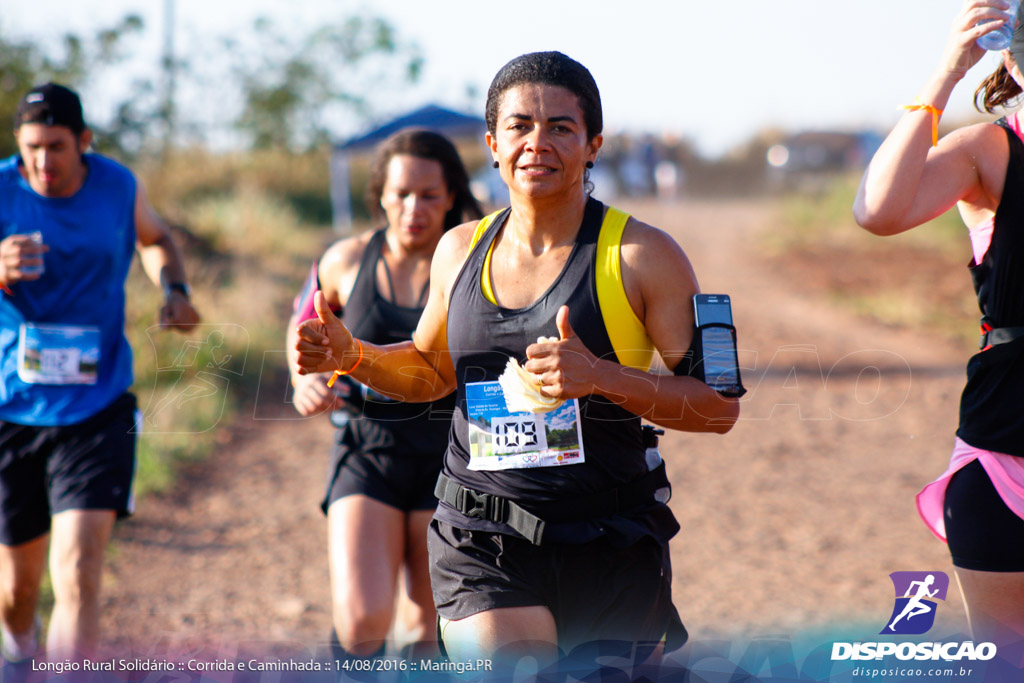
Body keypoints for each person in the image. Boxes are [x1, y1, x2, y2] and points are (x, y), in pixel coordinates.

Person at [295, 52, 739, 667]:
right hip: (483, 535)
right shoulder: (459, 250)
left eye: (560, 127)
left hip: (611, 536)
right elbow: (430, 371)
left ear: (593, 145)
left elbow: (718, 408)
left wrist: (600, 377)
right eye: (519, 126)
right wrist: (354, 356)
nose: (538, 143)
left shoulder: (644, 256)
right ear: (492, 145)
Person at [0, 83, 199, 665]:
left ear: (83, 141)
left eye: (57, 147)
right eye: (32, 147)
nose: (43, 161)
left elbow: (156, 238)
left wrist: (175, 289)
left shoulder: (116, 185)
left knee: (80, 570)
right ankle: (19, 650)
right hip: (12, 409)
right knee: (16, 591)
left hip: (97, 406)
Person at [854, 0, 1024, 654]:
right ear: (1012, 61)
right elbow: (877, 210)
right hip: (1005, 462)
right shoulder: (991, 150)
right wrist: (946, 74)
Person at [286, 129, 482, 660]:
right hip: (367, 447)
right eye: (400, 194)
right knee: (362, 622)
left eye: (429, 195)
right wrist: (303, 376)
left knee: (426, 628)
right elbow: (303, 324)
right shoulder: (346, 260)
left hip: (449, 457)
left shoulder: (473, 264)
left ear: (451, 197)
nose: (413, 208)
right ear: (380, 195)